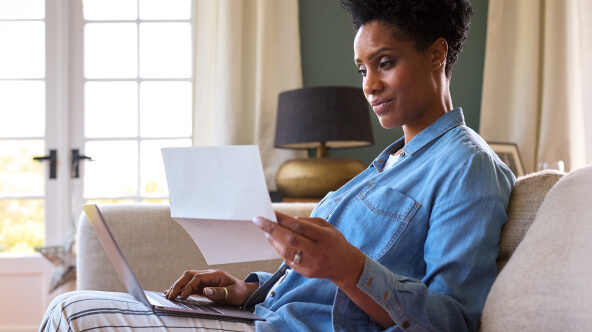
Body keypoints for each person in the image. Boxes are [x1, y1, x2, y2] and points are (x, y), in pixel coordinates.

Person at [40, 0, 515, 331]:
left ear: (436, 55)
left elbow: (453, 319)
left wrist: (351, 269)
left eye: (384, 63)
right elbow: (317, 286)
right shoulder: (392, 160)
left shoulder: (466, 168)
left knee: (71, 315)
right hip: (263, 317)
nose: (369, 84)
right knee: (75, 303)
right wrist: (249, 291)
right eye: (362, 69)